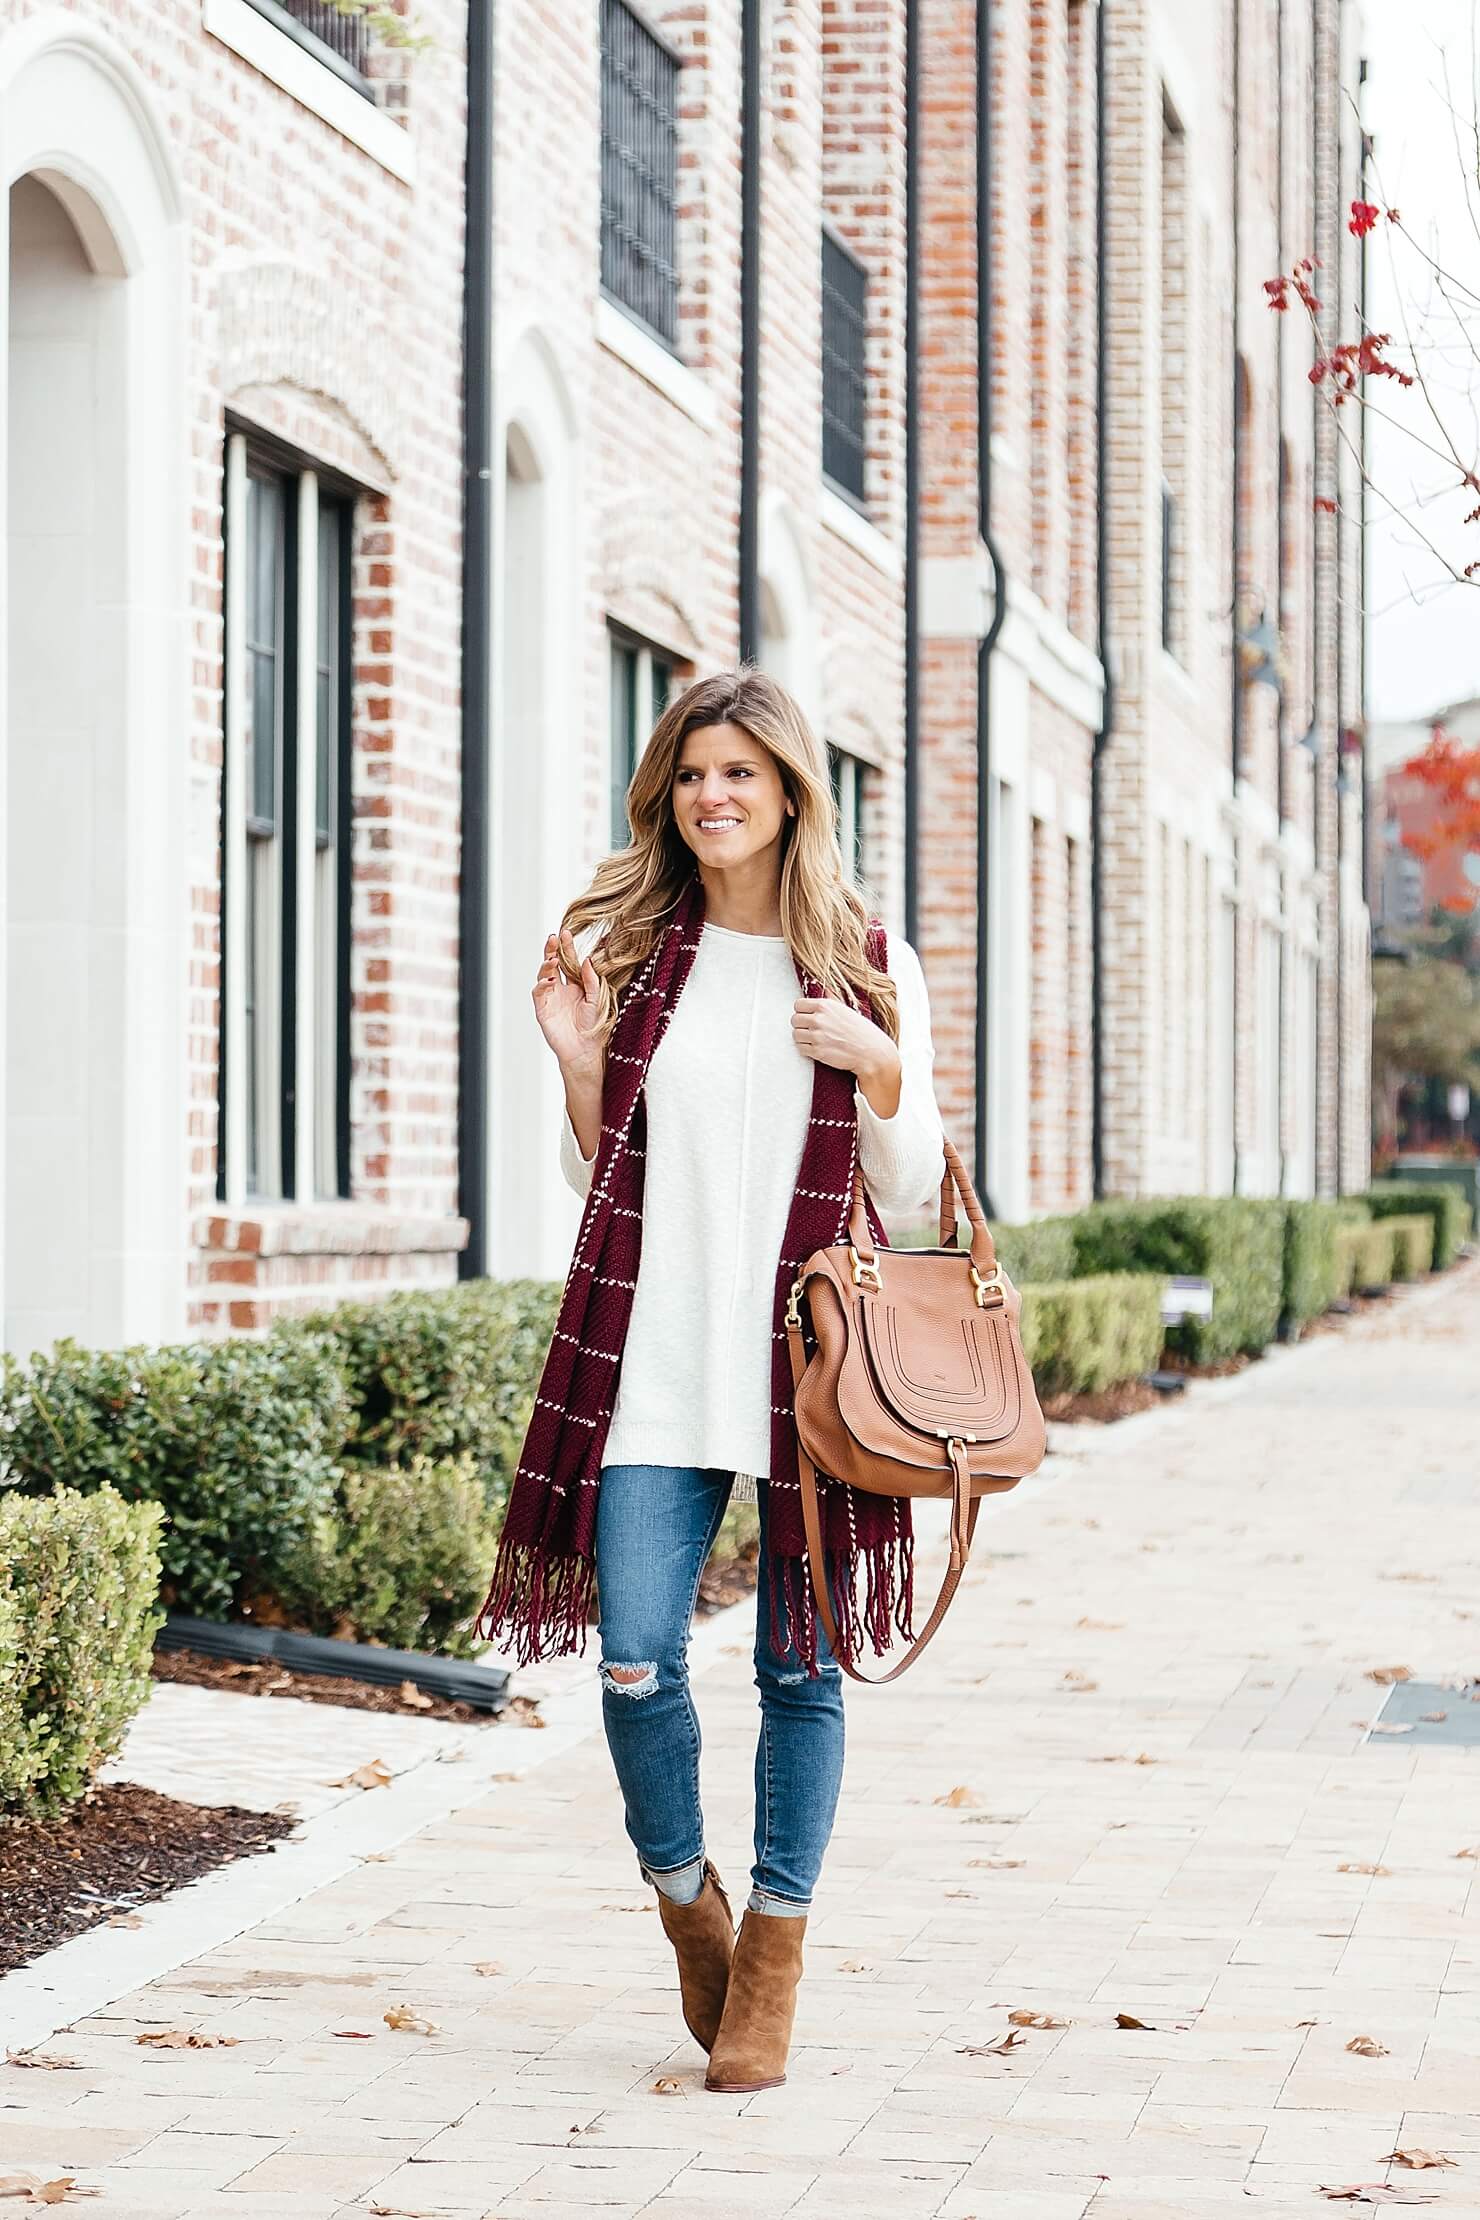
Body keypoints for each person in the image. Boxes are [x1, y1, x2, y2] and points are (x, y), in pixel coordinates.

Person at [479, 667, 945, 2092]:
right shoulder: (636, 954)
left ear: (793, 791)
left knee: (798, 1672)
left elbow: (913, 1188)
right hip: (653, 1363)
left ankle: (778, 1955)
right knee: (632, 1664)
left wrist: (879, 1067)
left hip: (807, 1379)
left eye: (741, 772)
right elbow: (595, 1173)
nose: (713, 796)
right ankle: (693, 1906)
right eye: (692, 774)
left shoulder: (865, 959)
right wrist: (576, 1063)